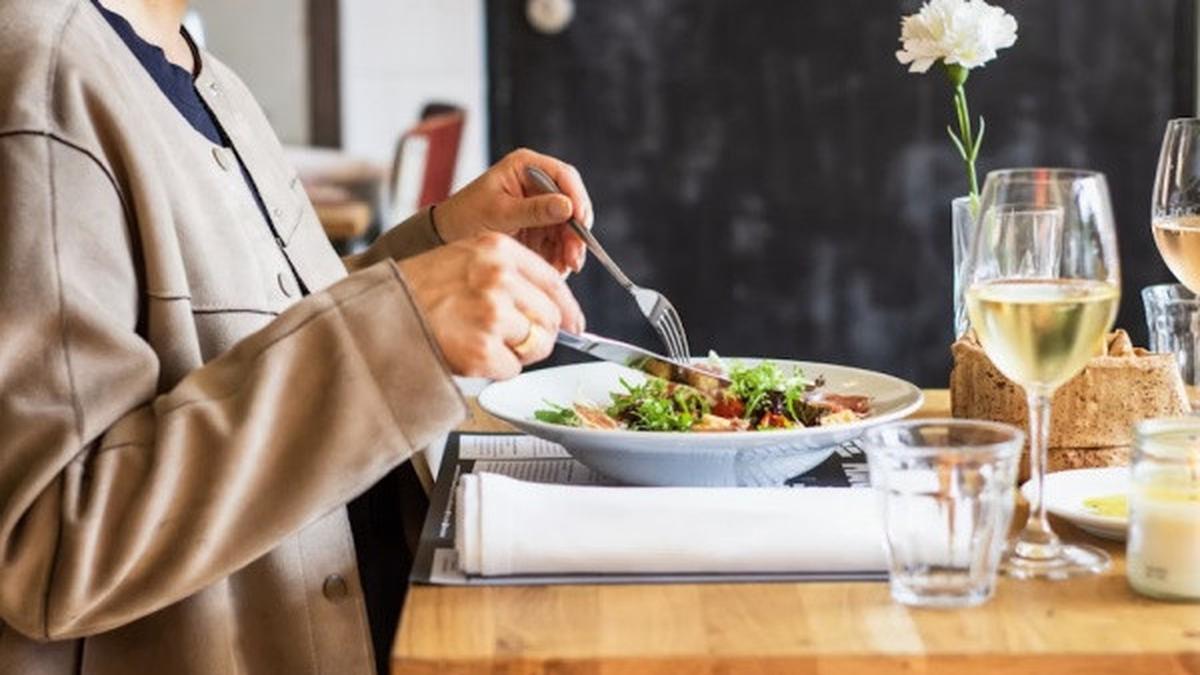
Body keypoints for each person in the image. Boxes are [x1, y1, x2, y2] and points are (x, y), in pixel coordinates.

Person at [0, 0, 594, 673]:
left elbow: (261, 337)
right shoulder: (42, 80)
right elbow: (47, 546)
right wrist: (399, 327)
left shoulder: (209, 79)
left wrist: (435, 246)